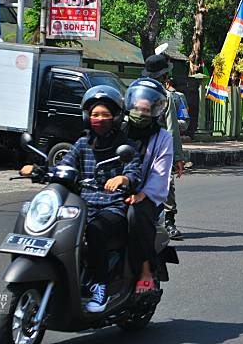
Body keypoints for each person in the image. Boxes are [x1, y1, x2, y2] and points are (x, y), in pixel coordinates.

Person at [21, 86, 142, 313]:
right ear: (87, 117)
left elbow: (135, 171)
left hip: (111, 206)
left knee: (95, 231)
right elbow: (64, 166)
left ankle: (100, 286)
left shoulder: (125, 146)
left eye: (105, 115)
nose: (99, 119)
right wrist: (39, 170)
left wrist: (123, 179)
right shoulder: (82, 143)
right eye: (95, 114)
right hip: (82, 204)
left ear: (116, 117)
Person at [123, 77, 175, 291]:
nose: (140, 113)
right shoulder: (119, 129)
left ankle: (145, 269)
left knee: (135, 215)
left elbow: (161, 173)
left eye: (146, 110)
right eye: (137, 108)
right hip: (113, 191)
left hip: (146, 196)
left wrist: (143, 194)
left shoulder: (162, 137)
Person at [141, 52, 187, 240]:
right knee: (166, 183)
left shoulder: (137, 92)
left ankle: (167, 221)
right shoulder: (165, 96)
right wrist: (177, 157)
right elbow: (172, 128)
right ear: (164, 77)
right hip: (157, 147)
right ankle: (168, 222)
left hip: (143, 147)